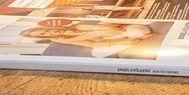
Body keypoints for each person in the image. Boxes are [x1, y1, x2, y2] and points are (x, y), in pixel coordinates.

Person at [19, 22, 154, 57]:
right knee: (98, 49)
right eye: (44, 34)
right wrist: (121, 39)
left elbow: (106, 26)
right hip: (104, 43)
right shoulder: (63, 38)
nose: (51, 31)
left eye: (47, 29)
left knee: (135, 29)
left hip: (114, 32)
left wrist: (116, 29)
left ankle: (134, 36)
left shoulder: (79, 26)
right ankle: (133, 38)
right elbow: (91, 43)